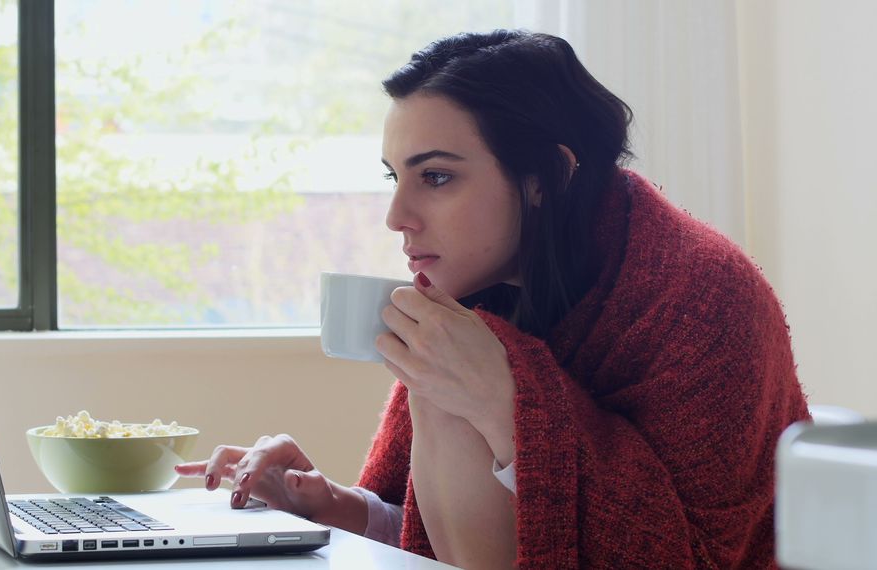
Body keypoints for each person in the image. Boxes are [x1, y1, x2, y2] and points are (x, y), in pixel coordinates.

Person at [175, 29, 808, 568]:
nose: (397, 216)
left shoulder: (702, 301)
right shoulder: (476, 296)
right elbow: (450, 534)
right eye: (396, 178)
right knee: (442, 363)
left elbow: (695, 556)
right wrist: (329, 505)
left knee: (448, 363)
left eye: (437, 177)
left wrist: (506, 401)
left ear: (547, 178)